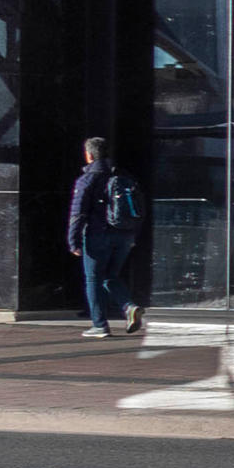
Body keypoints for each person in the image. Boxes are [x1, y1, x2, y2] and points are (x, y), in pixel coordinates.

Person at [65, 135, 147, 339]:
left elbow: (78, 212)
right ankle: (129, 307)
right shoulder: (123, 175)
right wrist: (133, 234)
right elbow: (138, 207)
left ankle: (100, 325)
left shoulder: (88, 179)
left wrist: (73, 241)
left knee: (93, 279)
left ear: (88, 155)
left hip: (98, 235)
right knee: (110, 276)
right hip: (124, 236)